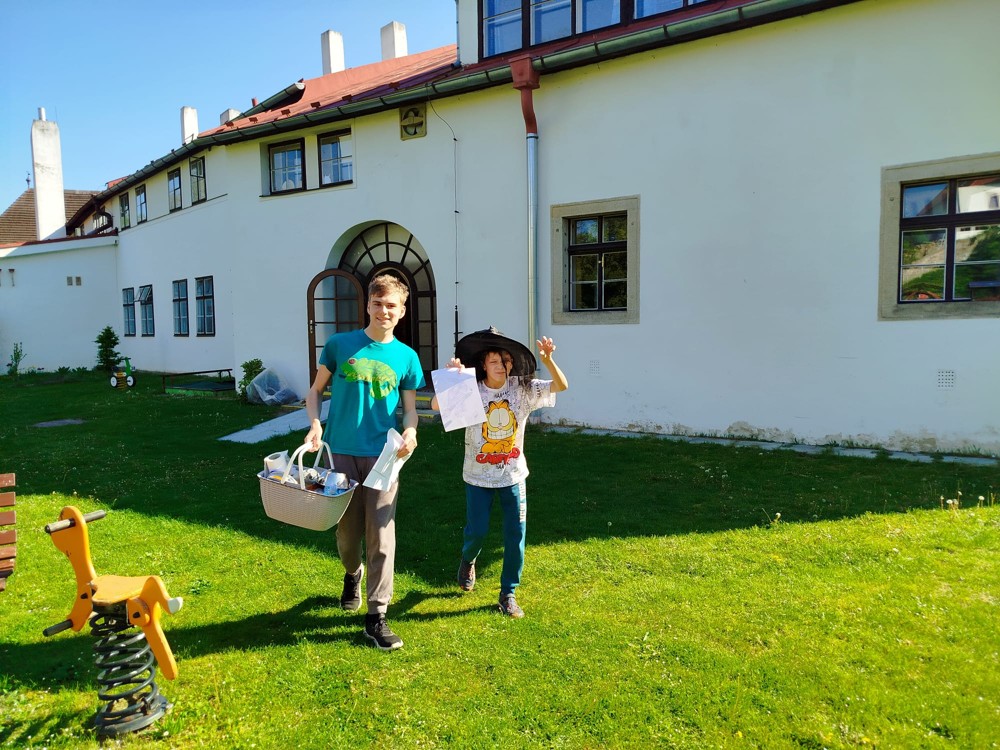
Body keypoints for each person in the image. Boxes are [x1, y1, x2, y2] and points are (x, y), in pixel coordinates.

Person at [304, 274, 424, 651]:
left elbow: (410, 410)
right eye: (378, 304)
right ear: (368, 305)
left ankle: (377, 615)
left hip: (384, 456)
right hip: (340, 453)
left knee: (381, 534)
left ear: (402, 311)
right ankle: (352, 572)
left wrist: (411, 431)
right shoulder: (340, 345)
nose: (384, 311)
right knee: (347, 535)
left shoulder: (407, 357)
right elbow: (315, 391)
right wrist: (315, 425)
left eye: (391, 306)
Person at [431, 326, 568, 618]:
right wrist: (452, 379)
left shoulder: (522, 389)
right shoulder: (471, 388)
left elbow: (561, 386)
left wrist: (548, 360)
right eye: (494, 361)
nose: (501, 366)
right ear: (483, 364)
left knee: (515, 534)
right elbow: (435, 405)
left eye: (505, 360)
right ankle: (468, 559)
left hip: (513, 476)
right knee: (477, 531)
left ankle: (508, 593)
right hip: (477, 475)